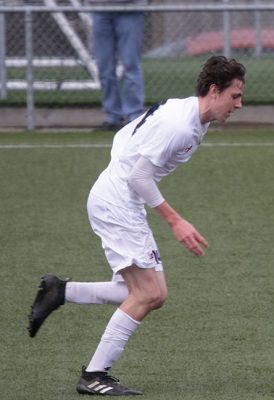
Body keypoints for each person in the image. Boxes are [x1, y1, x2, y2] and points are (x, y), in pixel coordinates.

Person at [28, 56, 246, 396]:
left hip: (119, 198)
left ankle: (60, 291)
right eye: (235, 95)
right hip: (118, 201)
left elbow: (125, 136)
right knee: (149, 294)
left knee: (149, 294)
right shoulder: (179, 124)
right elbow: (138, 175)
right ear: (215, 91)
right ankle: (93, 375)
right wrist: (176, 221)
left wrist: (122, 165)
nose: (239, 104)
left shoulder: (192, 115)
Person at [89, 0, 147, 130]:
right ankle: (113, 117)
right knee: (105, 68)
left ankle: (134, 117)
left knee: (130, 66)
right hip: (100, 9)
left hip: (129, 9)